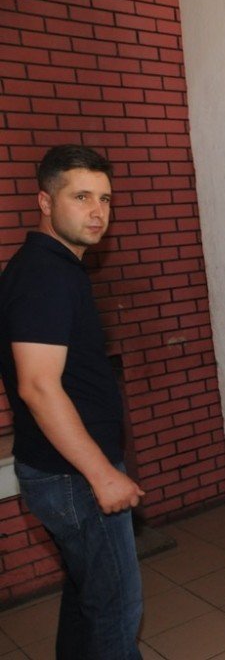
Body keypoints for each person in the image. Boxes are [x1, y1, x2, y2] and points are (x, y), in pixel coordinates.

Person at [0, 145, 144, 659]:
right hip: (73, 477)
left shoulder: (54, 268)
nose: (97, 211)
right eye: (81, 196)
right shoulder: (47, 276)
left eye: (105, 198)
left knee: (88, 598)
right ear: (44, 200)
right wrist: (101, 474)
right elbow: (38, 386)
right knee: (116, 609)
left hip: (66, 471)